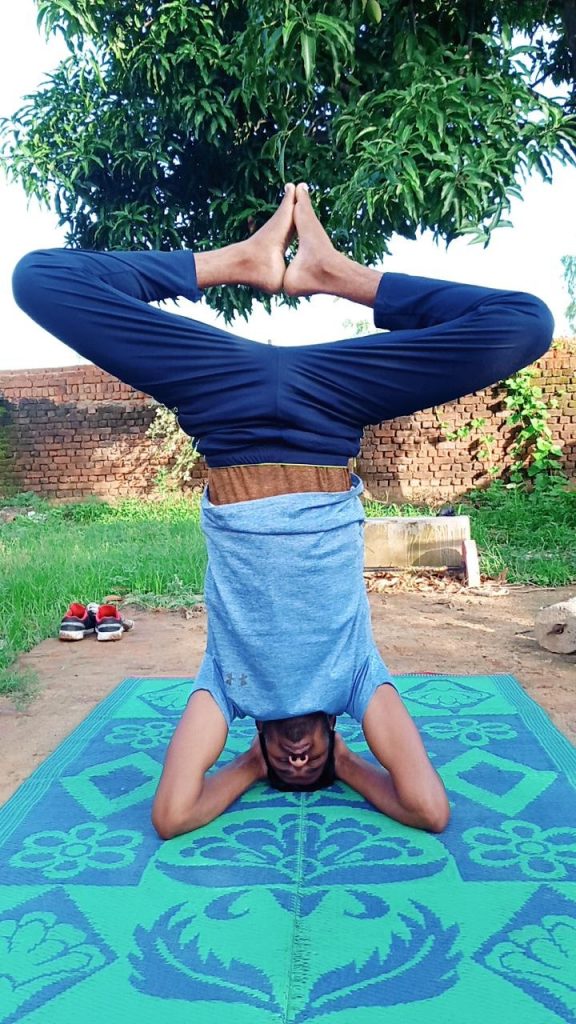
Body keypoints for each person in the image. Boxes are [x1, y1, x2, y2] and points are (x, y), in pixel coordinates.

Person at [12, 183, 554, 840]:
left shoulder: (227, 688)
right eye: (313, 766)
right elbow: (428, 809)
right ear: (334, 739)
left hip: (221, 409)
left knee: (38, 280)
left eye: (288, 769)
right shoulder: (356, 680)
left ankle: (234, 261)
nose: (300, 760)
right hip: (330, 412)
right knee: (527, 324)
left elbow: (173, 814)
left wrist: (249, 765)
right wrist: (347, 765)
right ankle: (338, 274)